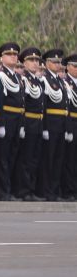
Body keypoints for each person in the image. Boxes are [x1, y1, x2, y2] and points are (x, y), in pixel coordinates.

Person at [0, 42, 23, 200]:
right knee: (1, 158)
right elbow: (0, 102)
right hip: (6, 120)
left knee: (12, 156)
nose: (13, 56)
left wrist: (22, 124)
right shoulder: (0, 75)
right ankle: (0, 191)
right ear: (2, 57)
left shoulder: (17, 77)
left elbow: (22, 102)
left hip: (17, 122)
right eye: (9, 54)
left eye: (15, 54)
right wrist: (1, 124)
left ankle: (7, 189)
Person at [38, 49, 69, 200]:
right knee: (48, 160)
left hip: (61, 126)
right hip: (50, 125)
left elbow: (66, 107)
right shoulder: (44, 80)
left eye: (59, 62)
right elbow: (42, 106)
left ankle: (55, 191)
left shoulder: (61, 82)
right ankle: (46, 191)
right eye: (54, 62)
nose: (58, 65)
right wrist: (45, 128)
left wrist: (67, 128)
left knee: (57, 160)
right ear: (46, 63)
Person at [16, 47, 45, 201]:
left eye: (37, 60)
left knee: (34, 159)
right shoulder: (23, 79)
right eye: (31, 60)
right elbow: (22, 104)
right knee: (25, 160)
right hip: (28, 123)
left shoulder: (37, 81)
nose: (35, 63)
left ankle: (31, 190)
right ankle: (23, 190)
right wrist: (22, 125)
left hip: (38, 123)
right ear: (24, 62)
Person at [61, 55, 77, 201]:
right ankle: (68, 190)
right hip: (71, 123)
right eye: (75, 65)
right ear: (67, 67)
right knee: (70, 159)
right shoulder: (65, 83)